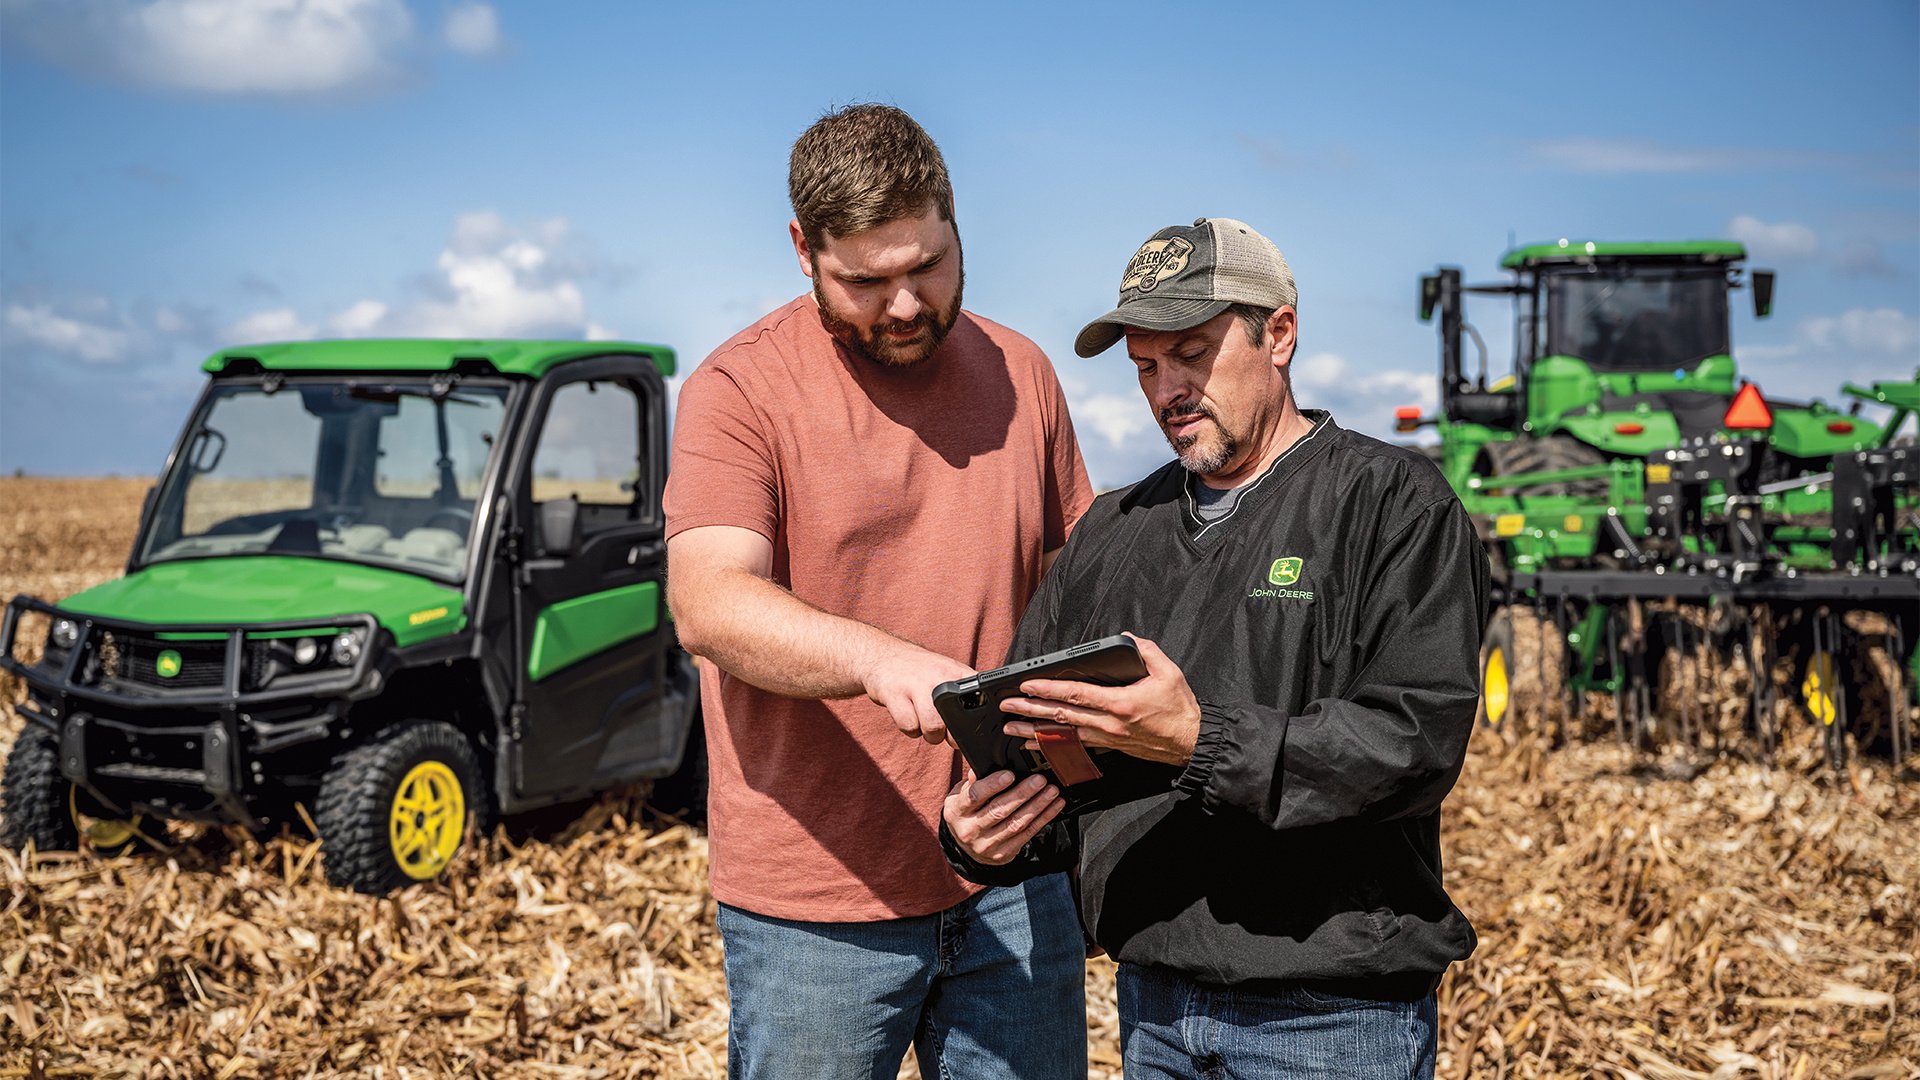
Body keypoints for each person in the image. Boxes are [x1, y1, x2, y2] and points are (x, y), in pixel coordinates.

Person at [941, 217, 1487, 1079]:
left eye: (1191, 354)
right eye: (1147, 368)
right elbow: (1053, 759)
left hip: (1331, 1019)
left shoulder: (1390, 503)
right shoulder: (1114, 531)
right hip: (1156, 1009)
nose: (1168, 390)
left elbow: (1414, 744)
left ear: (1280, 333)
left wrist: (1200, 741)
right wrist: (985, 833)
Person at [663, 104, 1093, 1079]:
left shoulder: (1023, 373)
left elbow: (1081, 583)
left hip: (1015, 873)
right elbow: (711, 603)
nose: (904, 305)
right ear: (802, 249)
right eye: (866, 280)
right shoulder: (741, 390)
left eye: (927, 267)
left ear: (954, 221)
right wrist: (880, 659)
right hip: (818, 902)